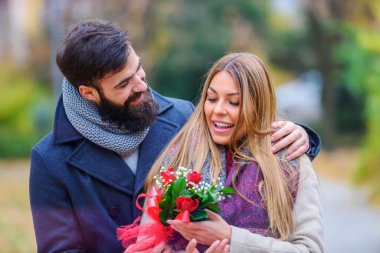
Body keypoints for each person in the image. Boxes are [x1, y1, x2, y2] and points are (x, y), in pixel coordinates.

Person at [29, 19, 320, 253]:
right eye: (125, 84)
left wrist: (297, 136)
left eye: (139, 69)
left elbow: (243, 136)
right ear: (89, 93)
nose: (142, 86)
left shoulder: (181, 117)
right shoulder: (50, 161)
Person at [144, 53, 323, 252]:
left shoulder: (288, 158)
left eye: (233, 102)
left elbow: (309, 249)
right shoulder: (180, 154)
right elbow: (148, 240)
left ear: (259, 105)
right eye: (212, 98)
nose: (218, 109)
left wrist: (231, 238)